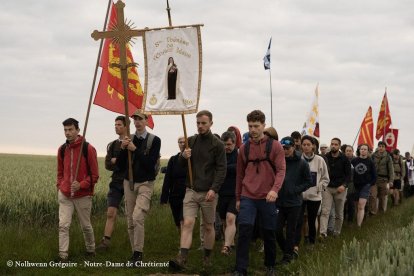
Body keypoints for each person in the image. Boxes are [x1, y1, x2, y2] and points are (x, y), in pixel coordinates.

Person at [170, 110, 226, 270]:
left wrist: (214, 189)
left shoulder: (218, 144)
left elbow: (222, 170)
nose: (200, 126)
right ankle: (182, 259)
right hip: (191, 190)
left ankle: (207, 259)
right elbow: (180, 166)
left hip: (209, 192)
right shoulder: (191, 141)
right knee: (187, 223)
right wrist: (183, 156)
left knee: (209, 226)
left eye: (203, 123)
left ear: (211, 124)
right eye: (198, 123)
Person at [233, 110, 286, 276]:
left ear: (264, 125)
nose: (253, 130)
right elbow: (240, 175)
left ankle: (270, 266)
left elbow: (281, 170)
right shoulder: (244, 148)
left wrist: (275, 189)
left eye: (256, 126)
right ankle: (240, 269)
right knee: (244, 231)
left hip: (267, 197)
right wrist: (238, 198)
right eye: (250, 126)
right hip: (248, 195)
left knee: (269, 232)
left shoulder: (275, 146)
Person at [116, 110, 161, 264]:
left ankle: (138, 253)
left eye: (140, 119)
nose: (137, 122)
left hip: (145, 183)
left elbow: (149, 165)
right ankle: (134, 252)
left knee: (137, 217)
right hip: (129, 182)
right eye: (134, 119)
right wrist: (123, 149)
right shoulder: (129, 139)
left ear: (146, 121)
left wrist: (135, 150)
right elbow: (120, 166)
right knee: (130, 220)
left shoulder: (154, 140)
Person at [56, 118, 99, 261]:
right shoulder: (62, 150)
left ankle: (91, 250)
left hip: (83, 195)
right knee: (63, 225)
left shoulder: (88, 149)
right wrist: (60, 187)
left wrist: (81, 184)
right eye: (65, 130)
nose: (67, 133)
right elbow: (60, 173)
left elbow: (94, 175)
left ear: (78, 130)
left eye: (70, 129)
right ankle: (63, 256)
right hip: (65, 195)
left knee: (86, 226)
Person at [276, 136, 313, 264]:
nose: (284, 150)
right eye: (282, 148)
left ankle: (287, 257)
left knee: (291, 230)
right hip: (279, 201)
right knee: (277, 229)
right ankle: (288, 250)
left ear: (293, 147)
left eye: (287, 148)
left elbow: (309, 181)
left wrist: (295, 189)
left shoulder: (302, 163)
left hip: (294, 203)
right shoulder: (278, 160)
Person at [97, 116, 128, 250]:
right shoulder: (112, 144)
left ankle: (134, 242)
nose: (116, 127)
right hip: (116, 182)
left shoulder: (133, 142)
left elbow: (131, 164)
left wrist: (118, 160)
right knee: (110, 212)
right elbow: (108, 164)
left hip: (130, 181)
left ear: (126, 126)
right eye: (115, 125)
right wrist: (115, 162)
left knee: (132, 214)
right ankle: (105, 241)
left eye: (119, 125)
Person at [294, 136, 329, 251]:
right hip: (300, 195)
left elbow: (325, 178)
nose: (306, 147)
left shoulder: (320, 160)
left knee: (312, 219)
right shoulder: (298, 159)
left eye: (309, 144)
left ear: (313, 146)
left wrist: (320, 187)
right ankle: (296, 244)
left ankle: (311, 242)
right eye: (304, 144)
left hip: (314, 196)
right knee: (298, 220)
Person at [319, 138, 351, 238]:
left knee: (339, 213)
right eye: (332, 144)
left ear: (339, 146)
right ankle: (322, 233)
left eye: (336, 144)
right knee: (325, 211)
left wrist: (344, 185)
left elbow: (349, 175)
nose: (333, 146)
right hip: (327, 188)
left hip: (340, 188)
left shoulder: (345, 159)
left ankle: (336, 233)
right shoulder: (325, 157)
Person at [160, 136, 187, 232]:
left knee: (183, 220)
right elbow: (167, 179)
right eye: (180, 142)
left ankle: (183, 245)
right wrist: (164, 198)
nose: (182, 144)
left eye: (184, 142)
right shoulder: (173, 160)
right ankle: (182, 240)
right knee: (178, 222)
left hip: (187, 194)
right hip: (174, 195)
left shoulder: (191, 159)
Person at [218, 131, 238, 256]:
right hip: (221, 192)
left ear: (234, 143)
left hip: (236, 193)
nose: (227, 147)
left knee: (231, 218)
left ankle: (226, 247)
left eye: (229, 144)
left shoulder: (240, 154)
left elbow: (239, 168)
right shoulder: (219, 155)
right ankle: (229, 241)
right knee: (224, 220)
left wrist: (224, 168)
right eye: (224, 144)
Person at [352, 144, 376, 227]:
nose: (363, 150)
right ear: (359, 150)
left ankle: (359, 226)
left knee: (361, 205)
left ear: (368, 151)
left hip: (365, 186)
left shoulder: (371, 162)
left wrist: (369, 184)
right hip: (355, 186)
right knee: (355, 206)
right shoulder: (354, 161)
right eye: (361, 149)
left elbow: (374, 175)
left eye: (365, 149)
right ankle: (355, 221)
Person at [369, 141, 394, 215]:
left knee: (382, 197)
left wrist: (391, 181)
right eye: (380, 146)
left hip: (383, 180)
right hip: (374, 180)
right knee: (373, 196)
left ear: (385, 148)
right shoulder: (373, 156)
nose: (381, 148)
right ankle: (372, 212)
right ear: (378, 147)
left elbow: (391, 170)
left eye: (383, 146)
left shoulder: (388, 157)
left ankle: (381, 213)